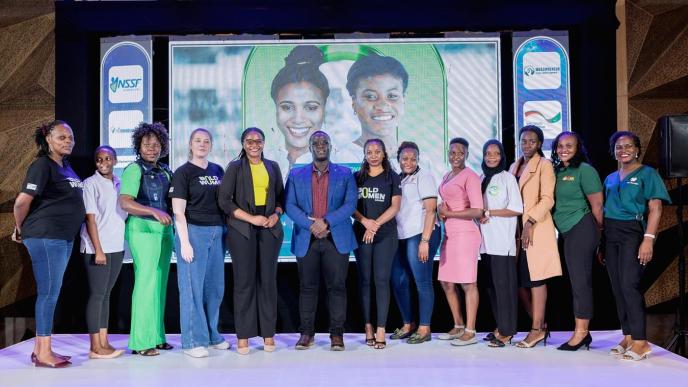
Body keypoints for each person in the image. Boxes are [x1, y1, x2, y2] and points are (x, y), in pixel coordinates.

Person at [12, 120, 85, 368]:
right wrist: (21, 228)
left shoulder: (65, 166)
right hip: (46, 236)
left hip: (62, 237)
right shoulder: (42, 165)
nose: (68, 141)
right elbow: (22, 202)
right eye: (62, 137)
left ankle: (39, 350)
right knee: (49, 294)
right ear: (48, 140)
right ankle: (44, 353)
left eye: (70, 137)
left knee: (52, 292)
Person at [285, 131, 358, 351]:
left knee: (337, 288)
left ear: (330, 146)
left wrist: (325, 222)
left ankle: (337, 334)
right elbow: (289, 206)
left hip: (336, 238)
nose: (320, 145)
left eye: (324, 142)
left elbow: (350, 204)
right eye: (315, 142)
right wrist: (311, 225)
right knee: (307, 288)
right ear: (310, 147)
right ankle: (306, 333)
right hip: (307, 238)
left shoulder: (345, 174)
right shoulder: (296, 174)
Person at [603, 131, 670, 361]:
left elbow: (656, 208)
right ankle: (629, 335)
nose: (623, 150)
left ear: (637, 149)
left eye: (628, 146)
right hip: (611, 233)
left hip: (633, 232)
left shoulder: (648, 174)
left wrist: (648, 239)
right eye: (619, 147)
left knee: (629, 284)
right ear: (614, 151)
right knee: (617, 287)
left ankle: (641, 341)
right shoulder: (611, 177)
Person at [218, 127, 284, 355]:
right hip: (242, 229)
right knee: (244, 284)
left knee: (267, 283)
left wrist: (275, 215)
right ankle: (243, 337)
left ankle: (268, 335)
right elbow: (225, 201)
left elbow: (280, 198)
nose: (254, 144)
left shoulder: (273, 166)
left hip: (269, 228)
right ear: (243, 144)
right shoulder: (234, 167)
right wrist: (251, 219)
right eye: (249, 140)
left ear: (264, 143)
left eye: (258, 140)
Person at [171, 128, 229, 358]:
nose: (202, 144)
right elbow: (178, 212)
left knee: (214, 287)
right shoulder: (182, 172)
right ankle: (193, 341)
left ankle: (212, 335)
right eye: (198, 140)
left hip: (218, 232)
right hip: (193, 232)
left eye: (206, 141)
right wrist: (184, 242)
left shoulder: (218, 170)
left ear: (211, 145)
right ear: (190, 144)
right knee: (192, 288)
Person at [118, 122, 174, 356]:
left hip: (164, 232)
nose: (151, 148)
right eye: (146, 144)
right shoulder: (134, 169)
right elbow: (125, 202)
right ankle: (141, 342)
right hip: (143, 230)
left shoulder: (165, 171)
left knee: (160, 285)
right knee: (146, 284)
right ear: (138, 146)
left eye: (156, 144)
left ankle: (157, 336)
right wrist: (154, 211)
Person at [509, 125, 562, 348]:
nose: (527, 145)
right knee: (520, 282)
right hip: (515, 231)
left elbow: (548, 199)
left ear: (540, 144)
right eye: (524, 141)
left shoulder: (545, 165)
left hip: (535, 228)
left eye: (532, 141)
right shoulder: (515, 165)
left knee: (536, 279)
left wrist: (530, 221)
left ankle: (537, 328)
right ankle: (540, 325)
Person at [551, 132, 603, 351]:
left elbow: (598, 206)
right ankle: (584, 332)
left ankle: (581, 333)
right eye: (560, 145)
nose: (564, 149)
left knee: (581, 283)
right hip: (567, 231)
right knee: (576, 281)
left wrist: (600, 234)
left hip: (582, 227)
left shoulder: (585, 170)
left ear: (578, 147)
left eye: (569, 145)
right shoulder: (558, 171)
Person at [390, 141, 441, 344]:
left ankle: (424, 327)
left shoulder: (424, 176)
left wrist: (425, 241)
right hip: (401, 235)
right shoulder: (398, 179)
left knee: (422, 281)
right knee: (399, 280)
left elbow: (431, 209)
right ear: (399, 159)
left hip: (421, 234)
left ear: (418, 159)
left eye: (413, 158)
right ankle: (407, 324)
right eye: (405, 158)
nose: (408, 162)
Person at [353, 139, 401, 349]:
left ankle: (381, 327)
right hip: (361, 234)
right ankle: (368, 326)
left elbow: (395, 207)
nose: (373, 155)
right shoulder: (357, 177)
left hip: (385, 235)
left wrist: (375, 225)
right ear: (365, 154)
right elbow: (349, 206)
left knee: (381, 280)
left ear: (384, 154)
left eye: (377, 151)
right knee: (365, 280)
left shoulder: (392, 177)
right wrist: (365, 222)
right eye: (369, 151)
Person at [79, 146, 127, 359]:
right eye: (99, 159)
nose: (103, 162)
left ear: (115, 160)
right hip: (97, 248)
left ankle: (104, 342)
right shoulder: (90, 184)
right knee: (97, 295)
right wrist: (98, 250)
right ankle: (94, 347)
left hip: (117, 246)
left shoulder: (119, 183)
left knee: (106, 295)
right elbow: (90, 219)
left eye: (107, 158)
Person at [437, 137, 484, 346]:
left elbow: (477, 210)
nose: (455, 156)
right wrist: (441, 211)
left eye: (460, 152)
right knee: (446, 282)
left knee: (468, 283)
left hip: (465, 234)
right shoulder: (448, 175)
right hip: (449, 234)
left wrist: (449, 213)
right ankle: (457, 325)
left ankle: (471, 330)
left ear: (466, 154)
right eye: (452, 152)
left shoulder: (471, 176)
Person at [478, 140, 523, 348]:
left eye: (496, 153)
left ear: (502, 156)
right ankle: (500, 326)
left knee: (504, 288)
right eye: (488, 153)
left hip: (502, 243)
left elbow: (516, 208)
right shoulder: (482, 178)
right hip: (485, 244)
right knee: (492, 288)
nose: (492, 157)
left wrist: (489, 213)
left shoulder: (508, 179)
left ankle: (508, 332)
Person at [271, 45, 330, 170]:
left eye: (311, 107)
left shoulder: (342, 161)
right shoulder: (264, 159)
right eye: (287, 107)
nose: (298, 119)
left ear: (325, 108)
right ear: (275, 107)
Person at [346, 53, 408, 170]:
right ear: (354, 103)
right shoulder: (342, 160)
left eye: (392, 95)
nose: (383, 106)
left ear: (403, 100)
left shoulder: (423, 162)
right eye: (370, 96)